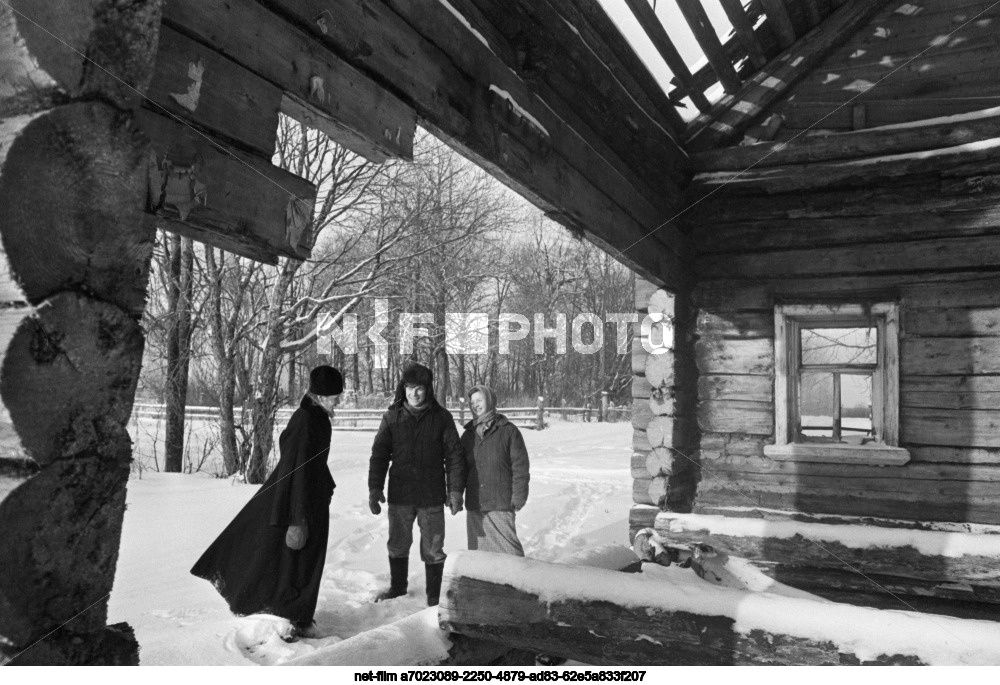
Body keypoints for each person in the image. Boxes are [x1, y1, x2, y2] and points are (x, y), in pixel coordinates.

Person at [191, 365, 343, 639]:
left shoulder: (317, 418)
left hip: (311, 501)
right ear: (320, 396)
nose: (338, 400)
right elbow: (295, 469)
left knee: (304, 562)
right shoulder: (306, 421)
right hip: (298, 502)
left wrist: (325, 484)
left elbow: (312, 463)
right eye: (334, 395)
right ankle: (288, 618)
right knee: (292, 561)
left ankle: (296, 616)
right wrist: (297, 518)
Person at [368, 362, 465, 606]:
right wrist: (374, 488)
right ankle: (398, 588)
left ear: (428, 389)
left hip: (431, 495)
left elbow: (454, 456)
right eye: (409, 388)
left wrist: (454, 491)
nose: (414, 394)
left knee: (433, 548)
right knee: (397, 544)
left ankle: (434, 597)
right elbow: (379, 454)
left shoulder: (442, 418)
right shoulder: (392, 417)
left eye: (419, 388)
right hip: (400, 493)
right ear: (404, 388)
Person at [460, 385, 529, 556]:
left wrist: (519, 495)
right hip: (476, 504)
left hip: (501, 503)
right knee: (479, 555)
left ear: (490, 400)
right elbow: (459, 469)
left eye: (480, 400)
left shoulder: (508, 431)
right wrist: (454, 493)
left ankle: (519, 581)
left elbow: (520, 467)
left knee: (510, 553)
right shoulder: (468, 435)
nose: (476, 405)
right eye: (472, 402)